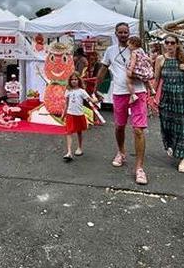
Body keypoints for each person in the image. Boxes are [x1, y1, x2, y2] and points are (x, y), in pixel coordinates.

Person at [96, 22, 149, 185]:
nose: (124, 35)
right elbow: (103, 69)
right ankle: (121, 152)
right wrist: (97, 89)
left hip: (138, 91)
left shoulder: (138, 49)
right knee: (119, 126)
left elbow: (147, 66)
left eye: (126, 32)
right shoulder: (110, 51)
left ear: (129, 33)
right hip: (119, 92)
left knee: (138, 130)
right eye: (121, 32)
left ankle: (139, 168)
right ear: (116, 34)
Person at [153, 35, 184, 173]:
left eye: (172, 43)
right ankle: (172, 146)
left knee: (183, 128)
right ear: (164, 44)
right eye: (167, 42)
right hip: (167, 98)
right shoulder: (160, 59)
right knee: (167, 124)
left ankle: (182, 159)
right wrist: (151, 95)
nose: (169, 45)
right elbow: (156, 79)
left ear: (177, 44)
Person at [61, 72, 97, 161]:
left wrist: (95, 100)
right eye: (72, 79)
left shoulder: (82, 91)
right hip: (70, 114)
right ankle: (69, 152)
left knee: (79, 132)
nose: (74, 81)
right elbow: (66, 104)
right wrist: (63, 113)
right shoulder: (68, 91)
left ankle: (79, 147)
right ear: (69, 81)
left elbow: (90, 100)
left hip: (79, 114)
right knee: (68, 132)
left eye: (76, 79)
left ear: (79, 80)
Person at [126, 36, 156, 103]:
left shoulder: (134, 52)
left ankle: (133, 95)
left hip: (137, 70)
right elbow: (147, 58)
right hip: (144, 70)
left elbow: (133, 63)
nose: (128, 47)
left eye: (129, 45)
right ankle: (151, 89)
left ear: (133, 44)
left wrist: (130, 70)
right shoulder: (141, 50)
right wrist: (151, 63)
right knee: (145, 80)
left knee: (128, 80)